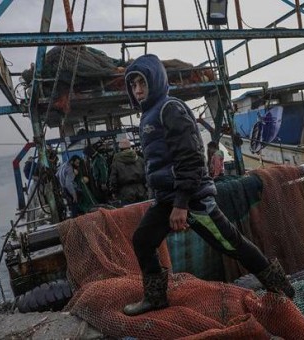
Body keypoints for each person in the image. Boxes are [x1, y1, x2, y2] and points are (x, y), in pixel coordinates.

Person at [122, 54, 294, 316]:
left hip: (191, 198)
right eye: (133, 85)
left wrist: (181, 204)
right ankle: (155, 298)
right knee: (143, 240)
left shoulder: (171, 109)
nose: (138, 90)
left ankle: (281, 287)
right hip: (167, 198)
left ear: (155, 81)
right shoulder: (148, 117)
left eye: (142, 83)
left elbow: (190, 159)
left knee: (231, 244)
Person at [109, 138, 148, 205]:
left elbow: (113, 180)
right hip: (141, 190)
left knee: (130, 213)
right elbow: (147, 175)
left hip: (125, 193)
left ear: (120, 148)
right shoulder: (140, 159)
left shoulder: (116, 162)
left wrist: (114, 192)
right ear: (130, 147)